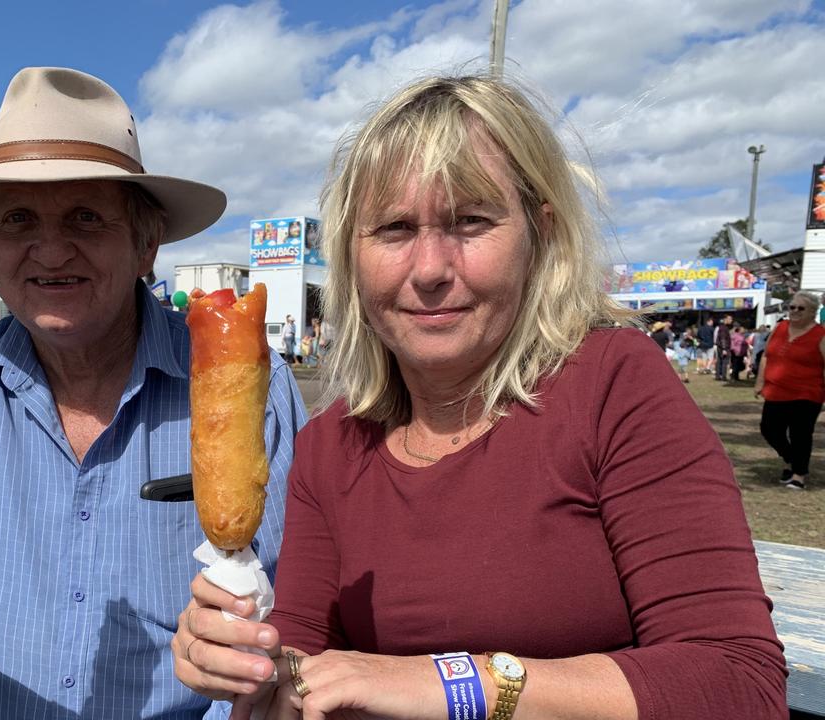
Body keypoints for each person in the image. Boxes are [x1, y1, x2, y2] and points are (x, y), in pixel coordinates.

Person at [172, 74, 786, 719]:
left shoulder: (612, 383)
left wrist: (453, 682)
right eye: (394, 228)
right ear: (351, 257)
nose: (431, 268)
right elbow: (302, 655)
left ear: (539, 234)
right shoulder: (330, 446)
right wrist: (250, 662)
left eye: (471, 221)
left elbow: (738, 683)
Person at [0, 66, 307, 720]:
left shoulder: (256, 390)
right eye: (18, 219)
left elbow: (300, 604)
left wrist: (247, 678)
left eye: (85, 216)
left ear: (146, 243)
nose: (50, 251)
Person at [755, 292, 825, 491]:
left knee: (800, 434)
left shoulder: (820, 335)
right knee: (769, 429)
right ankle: (790, 459)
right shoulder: (781, 327)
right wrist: (760, 382)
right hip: (776, 390)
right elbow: (767, 356)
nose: (794, 311)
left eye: (800, 308)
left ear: (812, 312)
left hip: (807, 393)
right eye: (792, 307)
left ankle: (798, 475)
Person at [715, 314, 733, 380]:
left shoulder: (722, 327)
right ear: (725, 319)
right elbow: (723, 338)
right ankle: (723, 376)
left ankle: (718, 376)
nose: (731, 320)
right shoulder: (724, 328)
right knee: (724, 362)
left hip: (720, 346)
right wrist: (724, 348)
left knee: (719, 361)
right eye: (730, 319)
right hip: (723, 347)